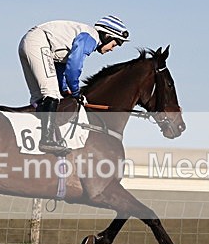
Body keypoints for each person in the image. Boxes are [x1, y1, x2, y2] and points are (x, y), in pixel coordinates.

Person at [18, 15, 130, 154]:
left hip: (30, 42)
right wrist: (76, 93)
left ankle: (35, 137)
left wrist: (65, 89)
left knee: (38, 97)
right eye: (114, 44)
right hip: (38, 42)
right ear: (107, 36)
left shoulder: (82, 37)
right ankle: (47, 140)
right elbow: (74, 67)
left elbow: (60, 67)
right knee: (51, 94)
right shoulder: (91, 38)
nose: (112, 49)